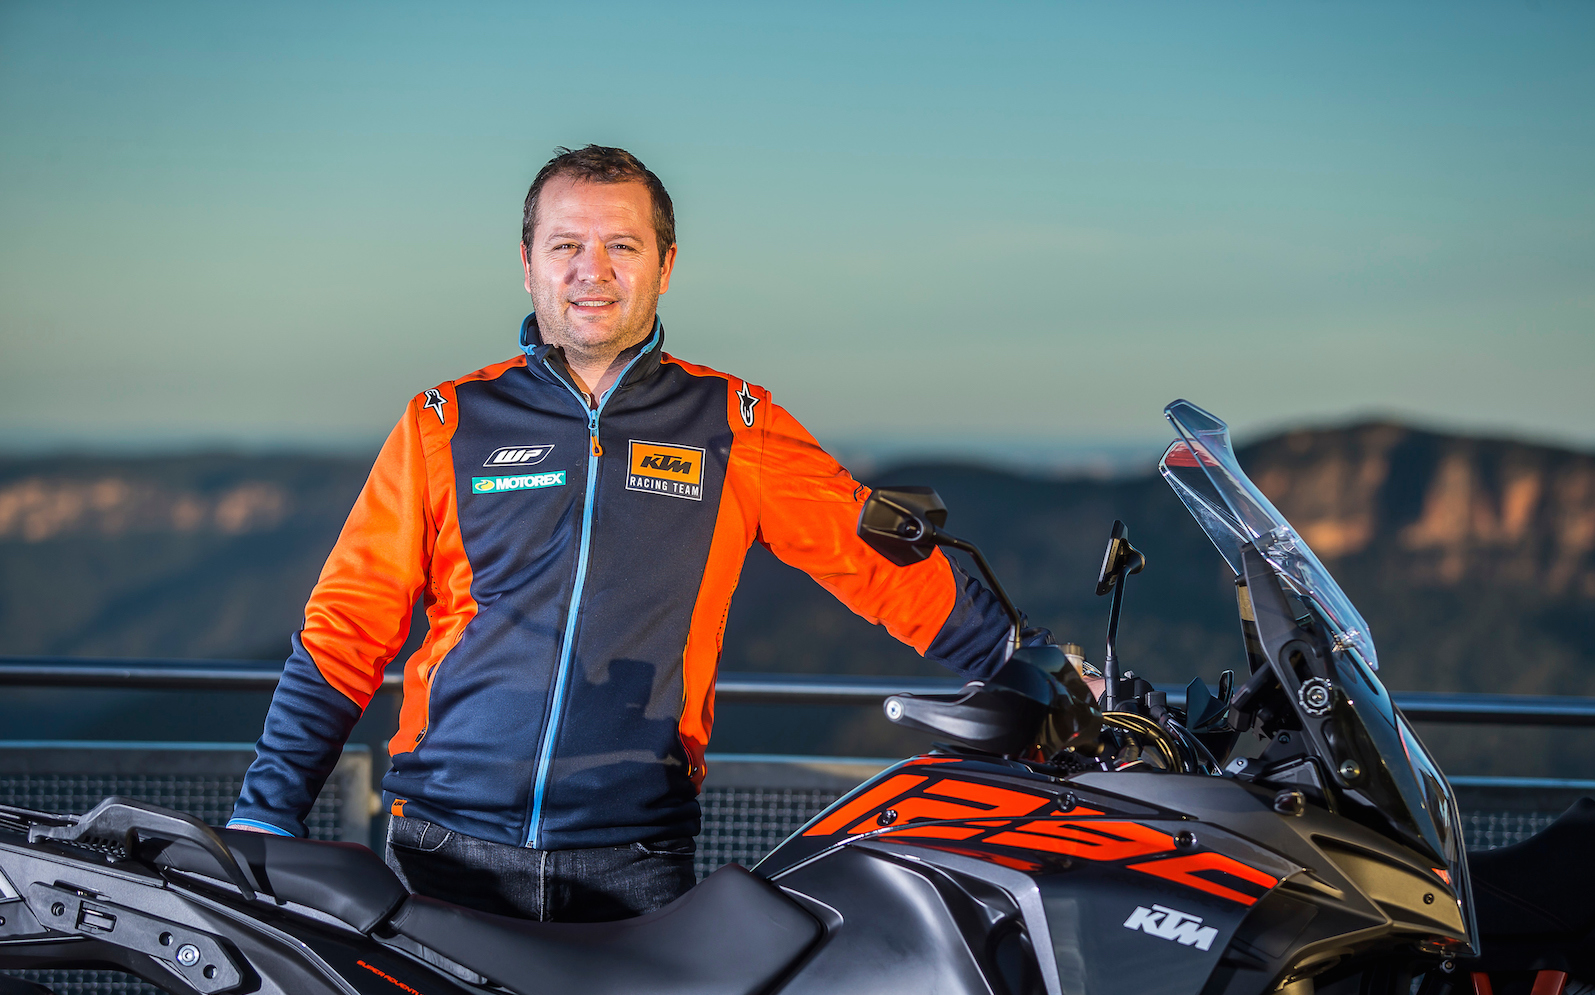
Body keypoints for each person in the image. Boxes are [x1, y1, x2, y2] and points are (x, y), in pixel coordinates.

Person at [230, 145, 1037, 922]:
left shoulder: (734, 424)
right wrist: (266, 814)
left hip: (634, 861)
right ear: (527, 263)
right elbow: (347, 627)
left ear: (665, 264)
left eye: (622, 244)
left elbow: (879, 565)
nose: (593, 270)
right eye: (566, 246)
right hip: (444, 849)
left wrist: (1027, 663)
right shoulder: (444, 422)